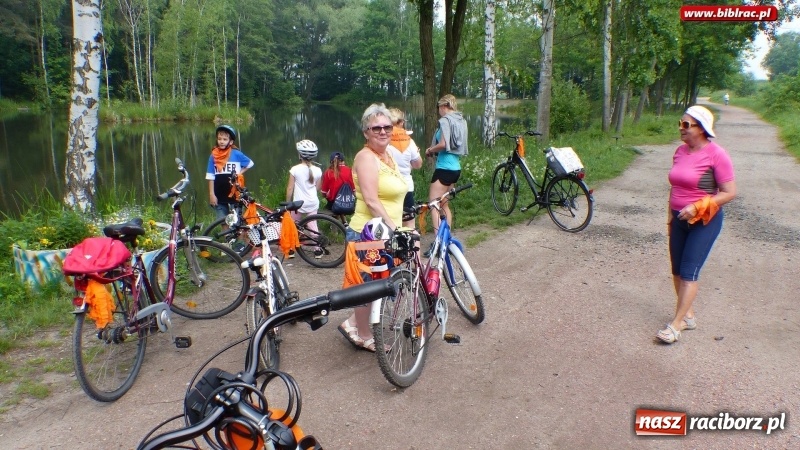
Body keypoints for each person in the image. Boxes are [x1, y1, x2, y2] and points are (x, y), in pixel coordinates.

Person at [657, 105, 736, 344]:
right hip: (679, 219)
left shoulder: (717, 154)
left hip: (704, 221)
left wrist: (697, 206)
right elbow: (675, 187)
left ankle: (676, 324)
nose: (681, 129)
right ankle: (688, 315)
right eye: (680, 124)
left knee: (689, 272)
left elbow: (729, 192)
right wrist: (670, 218)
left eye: (686, 125)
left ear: (702, 129)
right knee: (677, 271)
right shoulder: (680, 152)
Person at [338, 103, 407, 352]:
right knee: (368, 287)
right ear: (366, 132)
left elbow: (394, 194)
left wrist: (404, 222)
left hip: (385, 232)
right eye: (375, 127)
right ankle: (364, 335)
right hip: (368, 233)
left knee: (377, 282)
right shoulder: (366, 157)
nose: (382, 131)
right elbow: (371, 199)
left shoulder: (388, 156)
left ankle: (353, 323)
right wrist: (394, 228)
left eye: (387, 126)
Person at [424, 94, 468, 255]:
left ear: (443, 106)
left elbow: (443, 144)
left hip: (443, 168)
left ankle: (437, 244)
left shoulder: (445, 121)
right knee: (444, 205)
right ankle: (447, 240)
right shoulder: (461, 120)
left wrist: (430, 150)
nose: (438, 112)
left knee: (434, 205)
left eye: (438, 108)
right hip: (456, 167)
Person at [206, 124, 254, 220]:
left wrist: (239, 173)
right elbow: (210, 176)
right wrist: (212, 194)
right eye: (219, 139)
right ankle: (226, 235)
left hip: (235, 194)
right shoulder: (213, 155)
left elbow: (250, 163)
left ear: (231, 141)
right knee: (222, 221)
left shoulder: (236, 154)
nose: (221, 142)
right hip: (218, 194)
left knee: (237, 222)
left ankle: (238, 235)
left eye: (224, 139)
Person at [286, 139, 323, 258]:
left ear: (300, 155)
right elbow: (318, 187)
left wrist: (288, 203)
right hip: (312, 202)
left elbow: (290, 188)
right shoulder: (318, 170)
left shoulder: (295, 169)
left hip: (298, 204)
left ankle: (291, 250)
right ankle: (317, 249)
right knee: (313, 225)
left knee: (293, 225)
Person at [387, 108, 423, 229]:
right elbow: (418, 165)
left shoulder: (382, 140)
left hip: (388, 186)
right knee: (409, 223)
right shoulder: (409, 141)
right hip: (406, 186)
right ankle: (410, 247)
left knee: (390, 222)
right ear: (401, 122)